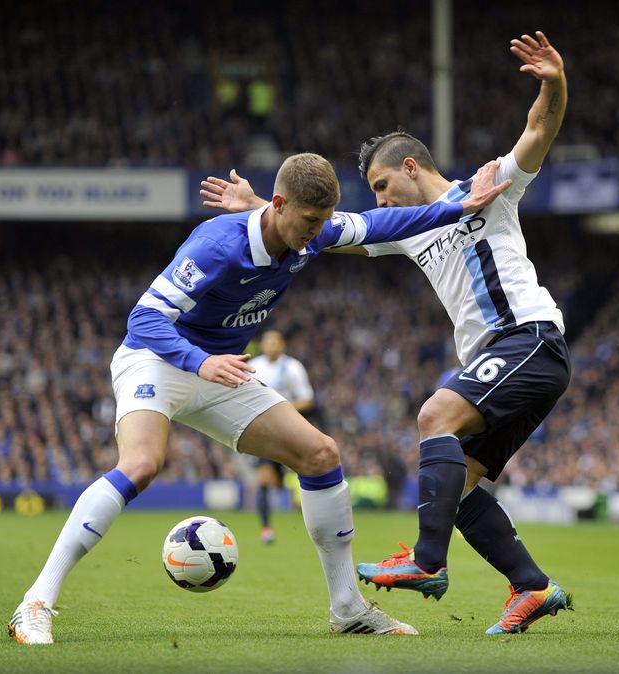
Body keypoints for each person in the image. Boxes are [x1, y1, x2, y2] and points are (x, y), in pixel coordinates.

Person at [8, 152, 511, 645]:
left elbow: (383, 226)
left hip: (223, 371)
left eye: (325, 220)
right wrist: (199, 361)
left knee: (321, 454)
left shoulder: (316, 231)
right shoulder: (216, 245)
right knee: (142, 463)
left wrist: (457, 205)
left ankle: (347, 609)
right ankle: (35, 602)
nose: (317, 232)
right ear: (278, 204)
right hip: (158, 359)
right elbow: (144, 318)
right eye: (310, 220)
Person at [200, 31, 572, 636]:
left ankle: (426, 564)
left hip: (528, 337)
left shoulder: (485, 190)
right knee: (460, 487)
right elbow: (323, 232)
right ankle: (532, 587)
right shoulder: (409, 228)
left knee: (434, 418)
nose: (377, 200)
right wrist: (256, 210)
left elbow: (538, 131)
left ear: (408, 167)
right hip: (503, 358)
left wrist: (554, 83)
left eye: (379, 186)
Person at [249, 329, 316, 543]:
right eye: (268, 342)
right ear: (262, 345)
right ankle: (266, 528)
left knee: (300, 475)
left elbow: (307, 399)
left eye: (275, 342)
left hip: (289, 428)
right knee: (264, 479)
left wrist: (281, 408)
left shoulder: (293, 367)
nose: (271, 346)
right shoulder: (253, 367)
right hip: (264, 431)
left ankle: (312, 523)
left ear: (282, 345)